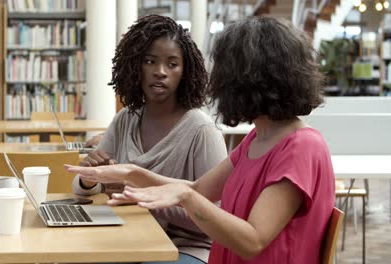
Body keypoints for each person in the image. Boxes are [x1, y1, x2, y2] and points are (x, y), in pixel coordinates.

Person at [65, 16, 335, 264]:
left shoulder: (301, 147)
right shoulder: (258, 137)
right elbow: (198, 188)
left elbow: (254, 241)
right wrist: (131, 172)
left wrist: (184, 198)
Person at [71, 14, 227, 263]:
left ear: (185, 72)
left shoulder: (201, 131)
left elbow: (216, 219)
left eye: (172, 64)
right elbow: (91, 189)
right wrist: (88, 180)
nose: (160, 72)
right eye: (150, 61)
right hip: (129, 237)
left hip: (186, 248)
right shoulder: (125, 120)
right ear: (135, 66)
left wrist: (141, 196)